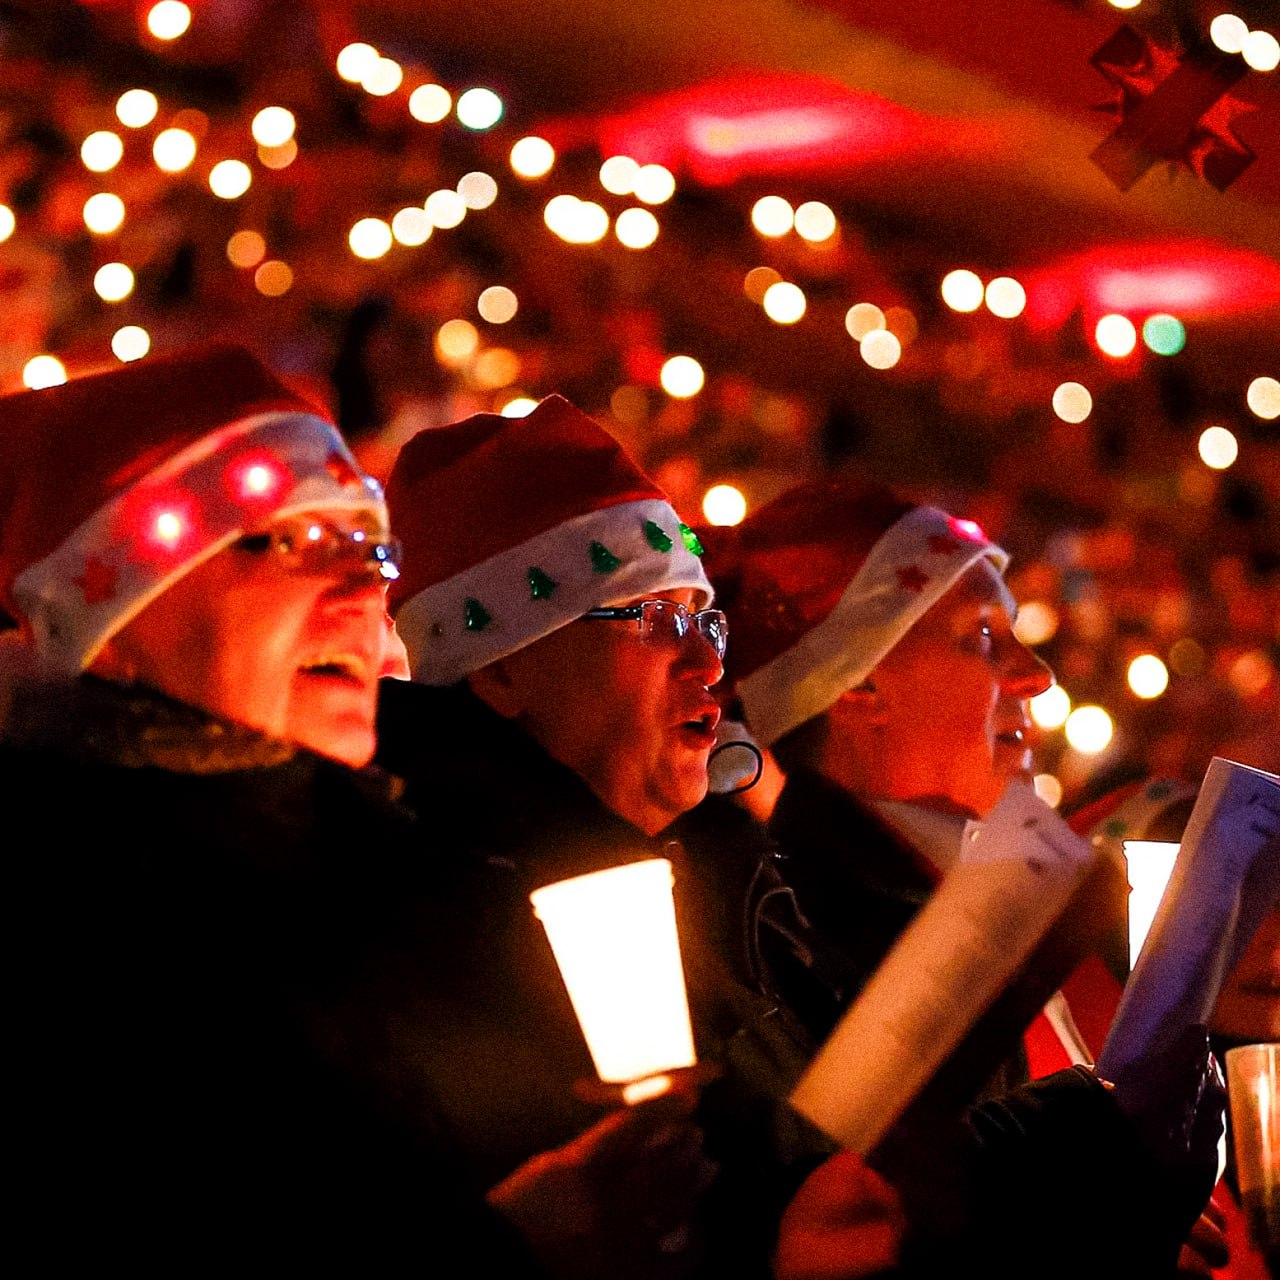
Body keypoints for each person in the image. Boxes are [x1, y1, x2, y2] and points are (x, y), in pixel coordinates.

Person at [0, 346, 699, 1275]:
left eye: (371, 549)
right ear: (111, 626)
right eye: (288, 540)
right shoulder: (64, 910)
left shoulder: (384, 875)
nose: (364, 588)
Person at [377, 396, 903, 1277]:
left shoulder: (721, 877)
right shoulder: (448, 915)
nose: (708, 665)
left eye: (707, 621)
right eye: (652, 617)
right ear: (502, 669)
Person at [712, 476, 1223, 1275]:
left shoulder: (987, 898)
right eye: (984, 636)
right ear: (862, 679)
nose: (1036, 677)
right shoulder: (789, 940)